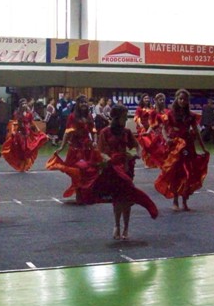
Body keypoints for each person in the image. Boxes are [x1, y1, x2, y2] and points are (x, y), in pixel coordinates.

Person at [94, 104, 158, 240]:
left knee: (127, 198)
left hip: (126, 167)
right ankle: (117, 225)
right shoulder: (105, 132)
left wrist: (136, 154)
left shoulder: (126, 132)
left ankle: (126, 228)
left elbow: (137, 146)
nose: (126, 119)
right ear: (116, 118)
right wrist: (107, 158)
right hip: (112, 168)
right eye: (124, 117)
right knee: (117, 198)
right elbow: (99, 151)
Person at [154, 89, 209, 211]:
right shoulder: (170, 114)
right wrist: (167, 138)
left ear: (187, 101)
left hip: (188, 146)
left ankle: (184, 201)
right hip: (174, 146)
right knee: (175, 172)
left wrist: (203, 147)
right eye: (180, 99)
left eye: (184, 99)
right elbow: (163, 129)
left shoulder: (190, 116)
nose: (182, 101)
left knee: (187, 172)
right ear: (176, 99)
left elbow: (197, 132)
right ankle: (175, 201)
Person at [46, 94, 102, 204]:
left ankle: (85, 193)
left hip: (88, 148)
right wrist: (62, 147)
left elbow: (93, 131)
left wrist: (95, 141)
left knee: (89, 171)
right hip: (76, 149)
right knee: (78, 170)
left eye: (85, 102)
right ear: (77, 104)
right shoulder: (72, 117)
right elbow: (67, 133)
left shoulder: (89, 116)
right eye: (81, 102)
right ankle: (79, 192)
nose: (84, 104)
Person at [1, 98, 48, 172]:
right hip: (20, 133)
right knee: (21, 149)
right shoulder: (17, 113)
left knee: (28, 148)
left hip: (28, 132)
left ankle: (26, 165)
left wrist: (37, 129)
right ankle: (21, 165)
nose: (24, 105)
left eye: (25, 103)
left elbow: (31, 122)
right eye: (23, 103)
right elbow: (17, 122)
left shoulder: (29, 113)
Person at [139, 92, 169, 169]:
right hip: (157, 135)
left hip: (166, 134)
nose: (162, 101)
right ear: (156, 101)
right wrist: (147, 132)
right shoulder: (153, 112)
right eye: (160, 100)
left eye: (163, 100)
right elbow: (152, 125)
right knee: (155, 150)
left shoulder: (167, 112)